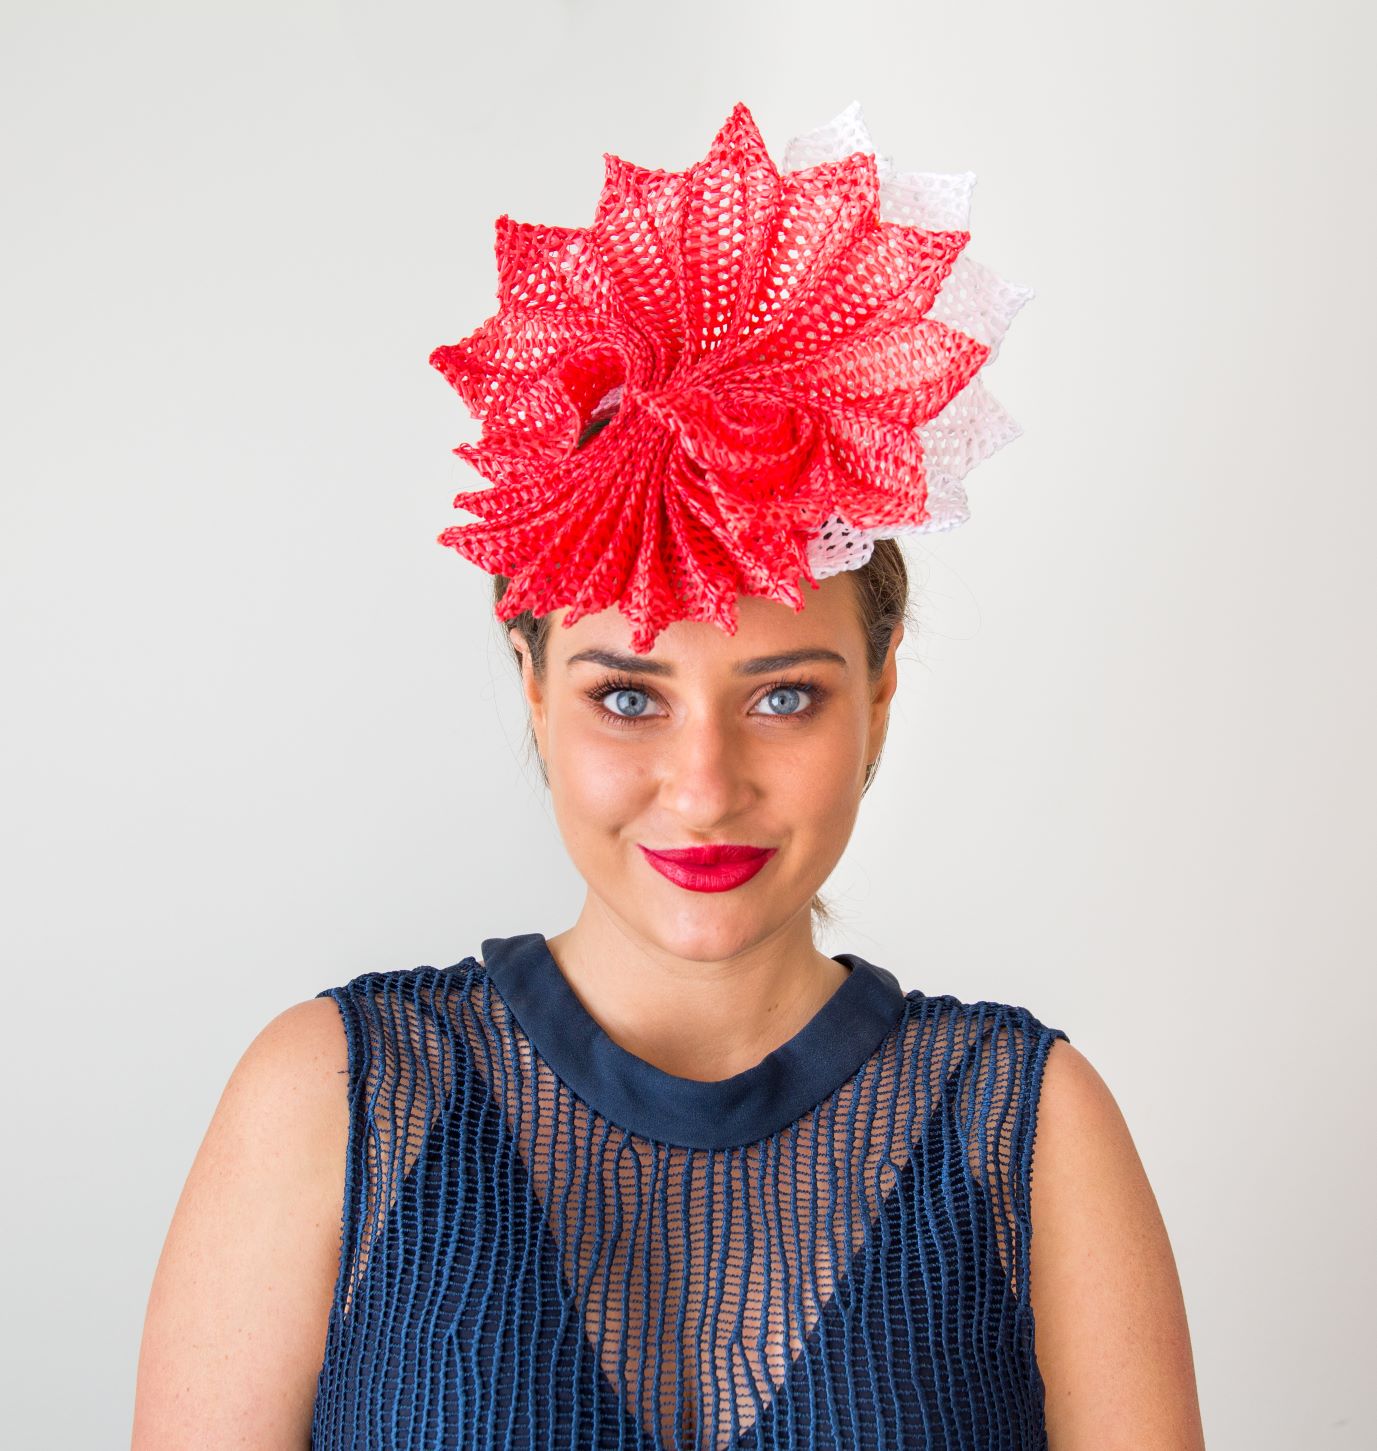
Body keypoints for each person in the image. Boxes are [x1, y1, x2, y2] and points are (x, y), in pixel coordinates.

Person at [131, 101, 1206, 1450]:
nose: (702, 786)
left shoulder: (1028, 1130)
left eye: (782, 697)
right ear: (532, 688)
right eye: (628, 697)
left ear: (875, 695)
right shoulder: (333, 1097)